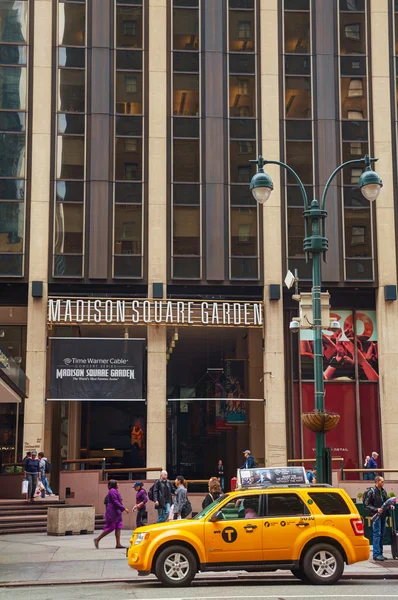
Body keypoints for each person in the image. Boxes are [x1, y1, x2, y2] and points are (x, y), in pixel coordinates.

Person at [94, 480, 129, 549]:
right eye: (117, 483)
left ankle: (118, 543)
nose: (118, 484)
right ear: (114, 484)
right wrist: (123, 508)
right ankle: (98, 539)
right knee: (111, 527)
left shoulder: (114, 491)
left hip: (117, 511)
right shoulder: (112, 491)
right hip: (113, 511)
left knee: (118, 527)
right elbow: (115, 501)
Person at [364, 475, 391, 561]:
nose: (383, 483)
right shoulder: (371, 492)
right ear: (377, 482)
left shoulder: (383, 491)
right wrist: (376, 509)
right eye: (382, 481)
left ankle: (380, 554)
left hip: (383, 515)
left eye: (383, 481)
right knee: (377, 534)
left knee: (382, 534)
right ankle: (376, 554)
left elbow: (385, 503)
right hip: (376, 516)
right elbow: (366, 505)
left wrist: (390, 506)